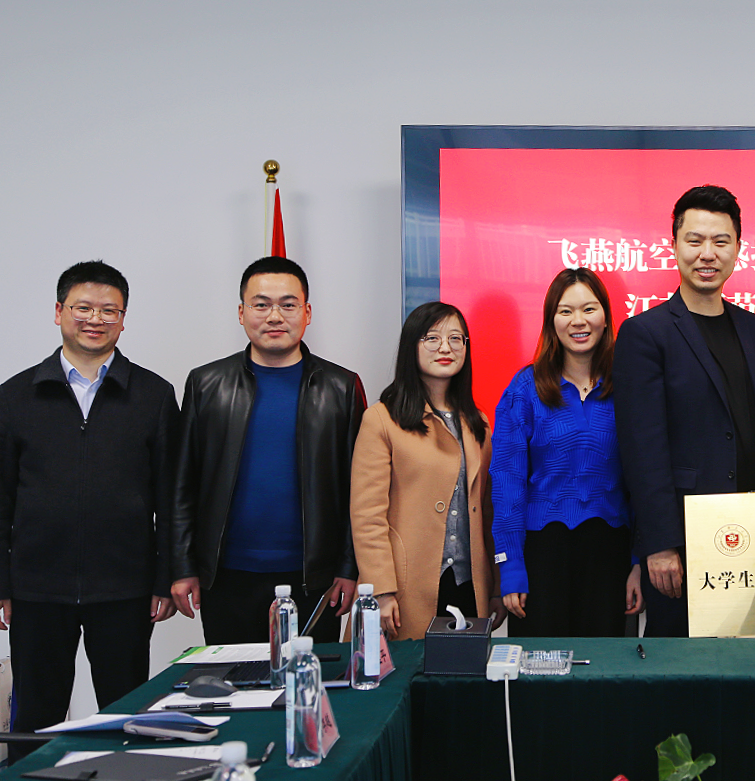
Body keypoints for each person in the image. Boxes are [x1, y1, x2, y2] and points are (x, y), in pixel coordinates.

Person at [0, 261, 178, 750]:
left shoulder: (154, 396)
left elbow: (171, 497)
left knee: (126, 719)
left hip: (125, 588)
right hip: (37, 589)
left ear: (123, 319)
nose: (95, 319)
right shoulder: (14, 397)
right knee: (35, 720)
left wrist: (163, 578)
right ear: (59, 311)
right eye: (83, 308)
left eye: (109, 310)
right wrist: (3, 583)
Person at [613, 184, 755, 637]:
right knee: (681, 664)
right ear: (674, 245)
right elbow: (642, 450)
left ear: (738, 248)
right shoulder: (645, 333)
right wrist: (659, 544)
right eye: (694, 240)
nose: (707, 254)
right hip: (684, 543)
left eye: (720, 241)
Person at [171, 257, 366, 644]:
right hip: (226, 576)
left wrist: (349, 566)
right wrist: (182, 564)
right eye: (261, 304)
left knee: (309, 680)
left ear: (307, 313)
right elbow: (182, 484)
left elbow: (358, 488)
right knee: (236, 679)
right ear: (241, 313)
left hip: (315, 578)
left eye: (288, 305)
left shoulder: (342, 387)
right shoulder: (206, 383)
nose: (275, 316)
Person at [491, 268, 643, 636]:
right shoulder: (525, 389)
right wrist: (511, 566)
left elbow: (643, 481)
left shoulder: (629, 385)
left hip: (610, 554)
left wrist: (638, 562)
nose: (578, 321)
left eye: (589, 309)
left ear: (606, 317)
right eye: (565, 311)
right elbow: (507, 484)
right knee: (538, 666)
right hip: (541, 555)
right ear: (551, 320)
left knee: (605, 666)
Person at [351, 302, 504, 640]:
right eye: (432, 338)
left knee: (463, 673)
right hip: (405, 588)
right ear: (412, 346)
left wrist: (495, 585)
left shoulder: (477, 422)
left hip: (469, 585)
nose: (445, 348)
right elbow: (367, 517)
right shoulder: (382, 419)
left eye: (456, 338)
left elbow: (487, 511)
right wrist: (381, 590)